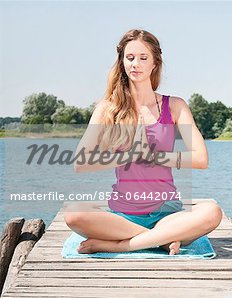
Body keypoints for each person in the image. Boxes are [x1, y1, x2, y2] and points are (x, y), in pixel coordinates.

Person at [63, 29, 222, 255]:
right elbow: (81, 162)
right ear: (122, 62)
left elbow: (200, 158)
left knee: (212, 211)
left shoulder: (175, 106)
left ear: (155, 63)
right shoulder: (107, 108)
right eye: (130, 58)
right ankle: (161, 239)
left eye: (143, 58)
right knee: (74, 215)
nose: (135, 64)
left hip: (168, 214)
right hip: (123, 216)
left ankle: (123, 244)